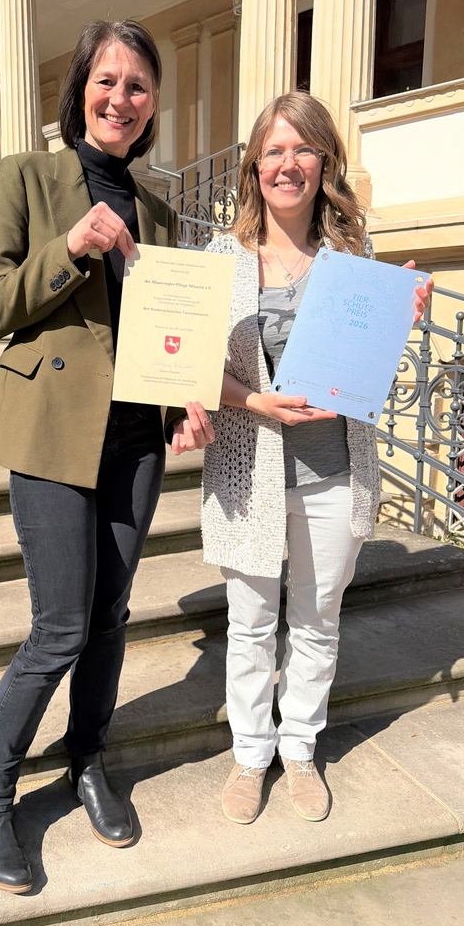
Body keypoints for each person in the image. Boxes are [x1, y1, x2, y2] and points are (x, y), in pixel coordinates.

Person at [0, 20, 186, 894]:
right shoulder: (28, 175)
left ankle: (86, 757)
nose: (121, 98)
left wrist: (188, 397)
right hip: (52, 430)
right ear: (79, 88)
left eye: (137, 85)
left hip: (135, 440)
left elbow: (171, 326)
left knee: (111, 614)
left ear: (153, 104)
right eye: (107, 80)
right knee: (59, 625)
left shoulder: (158, 207)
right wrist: (71, 249)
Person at [171, 91, 432, 826]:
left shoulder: (353, 259)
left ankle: (299, 749)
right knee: (251, 624)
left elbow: (365, 366)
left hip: (334, 473)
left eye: (303, 149)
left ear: (324, 162)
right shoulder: (222, 257)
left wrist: (399, 320)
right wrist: (255, 402)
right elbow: (191, 364)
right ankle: (251, 753)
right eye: (274, 151)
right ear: (255, 167)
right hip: (246, 473)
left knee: (316, 622)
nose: (288, 165)